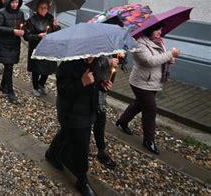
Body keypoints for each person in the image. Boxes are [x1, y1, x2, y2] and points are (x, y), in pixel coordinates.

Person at [45, 57, 113, 196]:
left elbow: (95, 82)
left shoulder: (96, 62)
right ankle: (82, 180)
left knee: (66, 132)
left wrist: (102, 85)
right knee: (82, 145)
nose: (91, 57)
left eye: (94, 54)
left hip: (88, 108)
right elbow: (63, 90)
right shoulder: (67, 65)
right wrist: (82, 82)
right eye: (89, 54)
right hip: (71, 111)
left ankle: (52, 153)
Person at [116, 22, 180, 155]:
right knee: (150, 109)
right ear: (151, 29)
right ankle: (148, 140)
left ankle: (122, 121)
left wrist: (171, 58)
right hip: (141, 83)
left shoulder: (159, 41)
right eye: (158, 30)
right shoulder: (139, 43)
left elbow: (161, 58)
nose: (160, 33)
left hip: (154, 81)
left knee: (140, 104)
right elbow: (149, 61)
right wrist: (169, 54)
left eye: (161, 30)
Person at [23, 0, 61, 97]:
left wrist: (56, 26)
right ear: (37, 8)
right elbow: (27, 36)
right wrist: (38, 36)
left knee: (48, 67)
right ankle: (35, 86)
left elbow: (56, 33)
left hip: (48, 47)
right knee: (36, 69)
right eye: (41, 8)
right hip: (37, 47)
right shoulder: (31, 20)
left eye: (45, 8)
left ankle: (42, 83)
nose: (43, 10)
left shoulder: (50, 18)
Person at [0, 0, 25, 102]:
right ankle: (11, 92)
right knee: (9, 67)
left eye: (16, 2)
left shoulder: (20, 13)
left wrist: (23, 30)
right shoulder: (1, 13)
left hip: (14, 44)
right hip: (4, 44)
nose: (15, 4)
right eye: (13, 2)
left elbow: (23, 25)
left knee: (8, 67)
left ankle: (2, 85)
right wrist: (13, 31)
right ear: (8, 2)